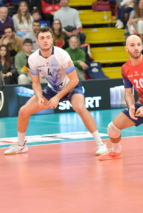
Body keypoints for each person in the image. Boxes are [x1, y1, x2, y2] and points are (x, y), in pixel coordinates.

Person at [4, 27, 108, 155]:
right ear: (37, 41)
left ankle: (100, 144)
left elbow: (74, 80)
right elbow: (36, 83)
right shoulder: (33, 58)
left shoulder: (62, 55)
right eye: (42, 38)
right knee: (24, 111)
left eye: (48, 37)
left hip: (71, 87)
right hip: (52, 89)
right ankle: (20, 145)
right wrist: (39, 96)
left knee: (80, 108)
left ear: (52, 40)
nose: (45, 40)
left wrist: (57, 97)